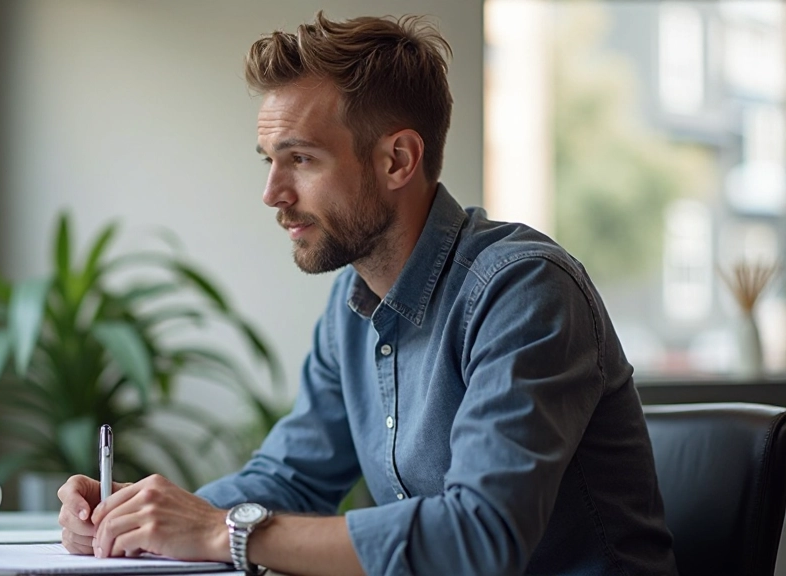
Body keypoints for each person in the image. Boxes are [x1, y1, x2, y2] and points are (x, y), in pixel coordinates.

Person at [57, 12, 678, 576]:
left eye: (299, 159)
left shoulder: (524, 291)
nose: (272, 193)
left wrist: (225, 533)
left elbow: (479, 536)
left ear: (397, 160)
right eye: (268, 160)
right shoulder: (353, 307)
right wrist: (134, 521)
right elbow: (290, 479)